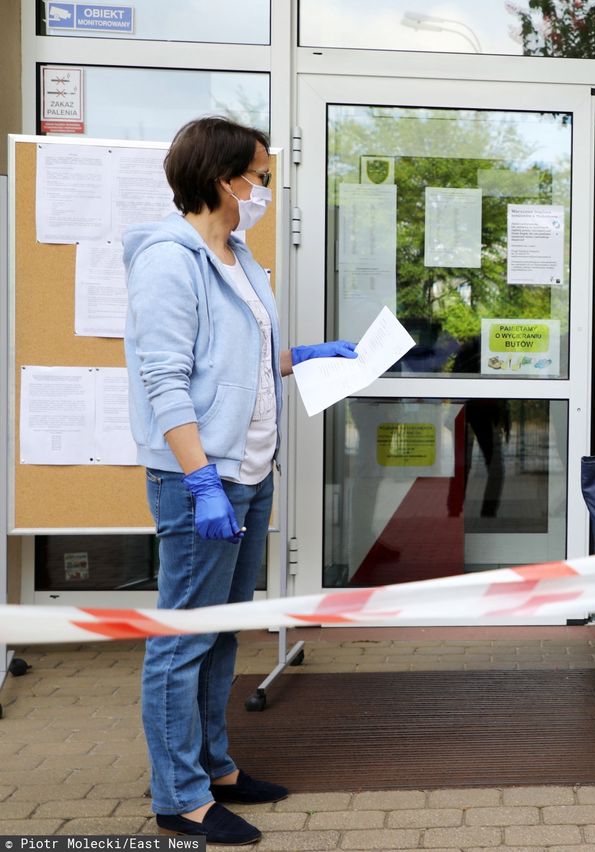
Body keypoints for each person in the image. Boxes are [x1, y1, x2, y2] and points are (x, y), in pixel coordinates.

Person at [124, 116, 358, 843]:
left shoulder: (239, 256)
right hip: (204, 479)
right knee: (181, 639)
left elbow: (239, 360)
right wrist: (200, 480)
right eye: (259, 175)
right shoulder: (171, 261)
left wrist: (305, 356)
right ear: (223, 179)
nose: (265, 189)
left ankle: (216, 768)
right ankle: (180, 797)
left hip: (250, 473)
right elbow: (164, 382)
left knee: (222, 634)